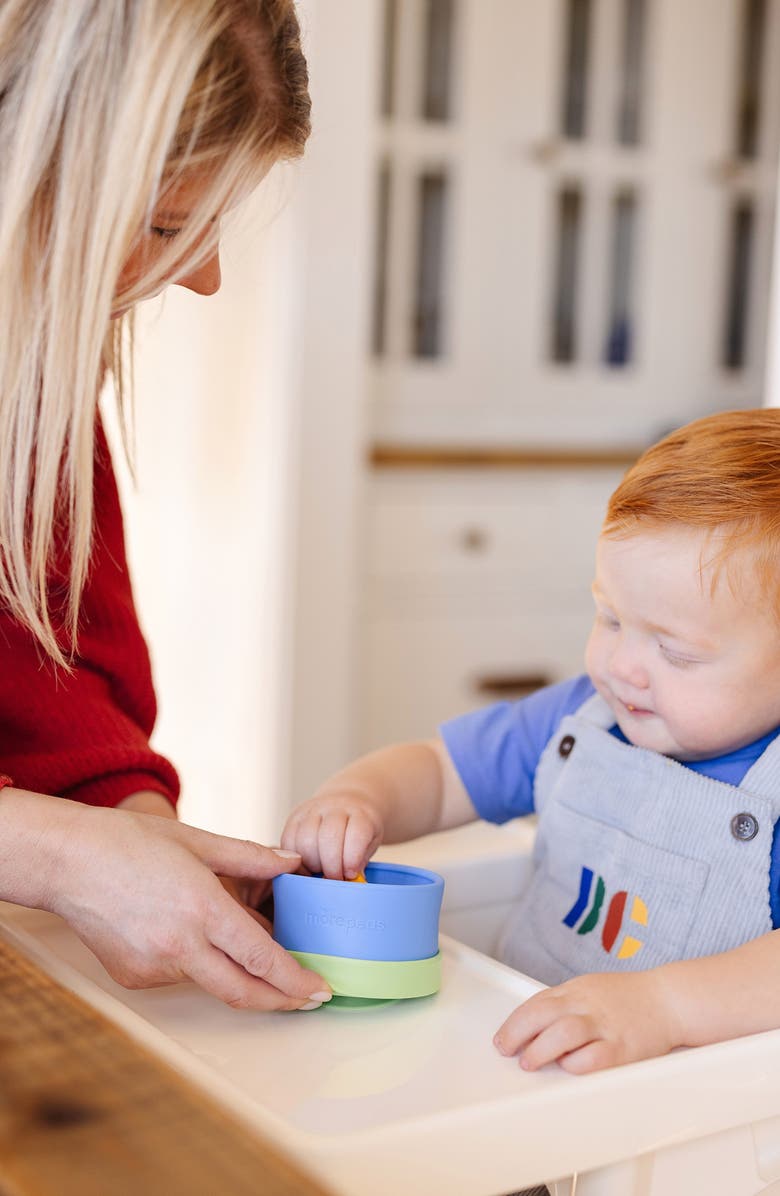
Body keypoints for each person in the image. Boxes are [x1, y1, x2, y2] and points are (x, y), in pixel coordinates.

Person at [0, 0, 332, 1012]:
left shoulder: (36, 380)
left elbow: (55, 670)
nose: (207, 277)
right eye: (167, 226)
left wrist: (138, 827)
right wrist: (63, 856)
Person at [282, 407, 780, 1068]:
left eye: (676, 652)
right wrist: (358, 798)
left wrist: (664, 1006)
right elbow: (442, 773)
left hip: (683, 1110)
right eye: (610, 619)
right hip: (512, 1056)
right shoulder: (581, 716)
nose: (621, 666)